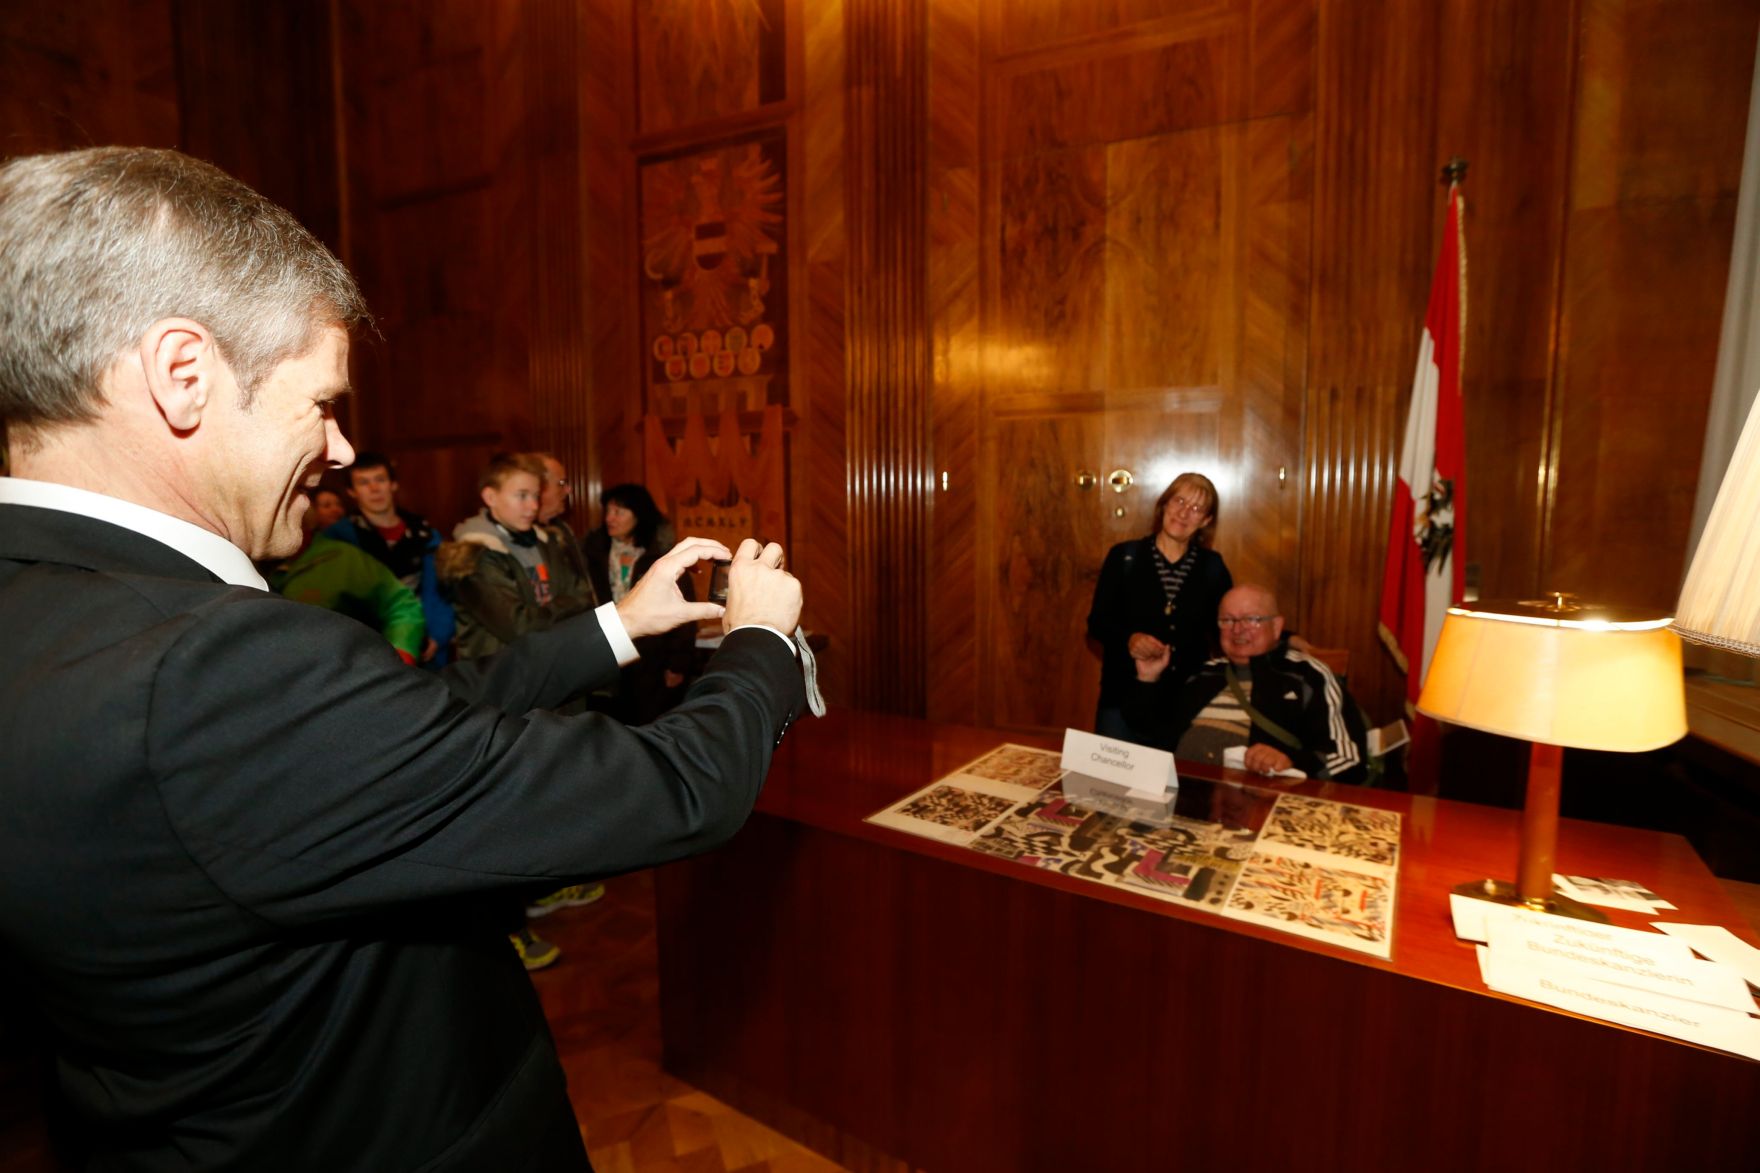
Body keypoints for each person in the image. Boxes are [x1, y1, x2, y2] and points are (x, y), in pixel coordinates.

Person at [0, 146, 805, 1172]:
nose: (339, 451)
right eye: (322, 404)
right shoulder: (219, 668)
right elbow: (676, 788)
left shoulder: (53, 615)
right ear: (182, 374)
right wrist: (758, 639)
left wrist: (616, 624)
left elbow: (408, 722)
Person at [1125, 583, 1366, 782]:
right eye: (1227, 621)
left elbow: (1350, 759)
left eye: (1251, 619)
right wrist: (1148, 678)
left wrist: (1291, 761)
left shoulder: (1308, 675)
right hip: (1181, 795)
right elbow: (1150, 734)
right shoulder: (1206, 673)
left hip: (1257, 807)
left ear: (1277, 626)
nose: (1237, 630)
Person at [1087, 472, 1233, 742]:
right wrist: (1129, 639)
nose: (1184, 513)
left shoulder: (1213, 567)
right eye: (1178, 501)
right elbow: (1098, 623)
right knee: (1109, 783)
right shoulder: (1124, 556)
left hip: (1184, 702)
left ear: (1206, 520)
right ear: (1164, 504)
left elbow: (1230, 624)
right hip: (1122, 697)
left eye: (1196, 508)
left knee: (1177, 783)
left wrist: (1284, 636)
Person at [263, 487, 427, 663]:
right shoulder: (249, 563)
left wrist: (401, 657)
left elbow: (401, 604)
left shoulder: (340, 558)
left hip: (342, 676)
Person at [326, 449, 457, 666]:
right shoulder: (338, 539)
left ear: (393, 484)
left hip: (428, 646)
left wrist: (438, 635)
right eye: (364, 483)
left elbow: (440, 588)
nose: (374, 488)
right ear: (351, 491)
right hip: (367, 648)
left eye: (380, 480)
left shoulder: (423, 533)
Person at [583, 483, 698, 725]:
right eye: (608, 512)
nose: (610, 518)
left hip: (651, 660)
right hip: (604, 656)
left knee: (649, 725)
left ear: (639, 516)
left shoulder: (661, 556)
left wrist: (677, 664)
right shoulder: (592, 553)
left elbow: (683, 609)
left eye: (619, 512)